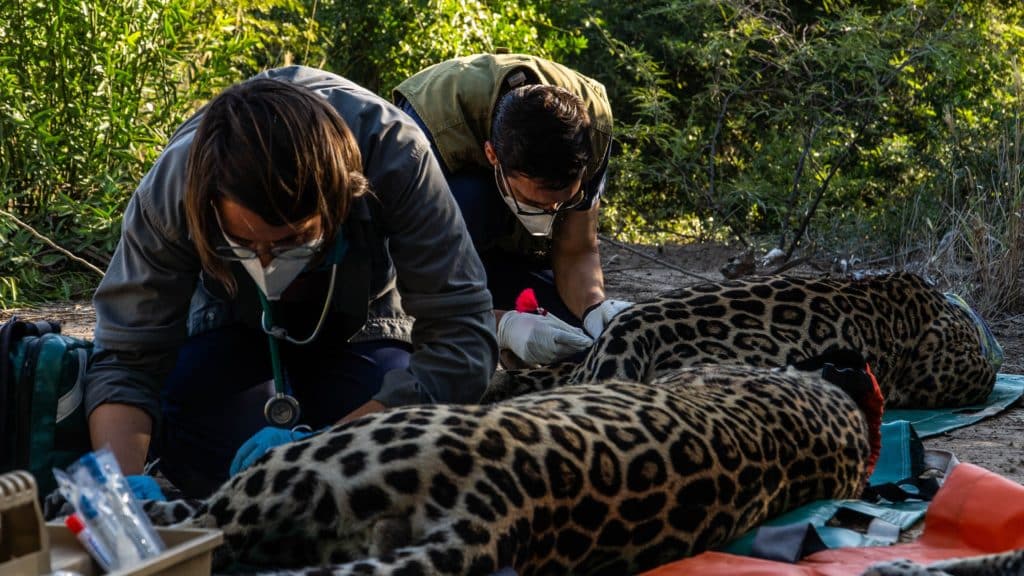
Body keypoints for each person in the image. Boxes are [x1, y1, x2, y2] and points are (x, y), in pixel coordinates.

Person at [84, 66, 497, 498]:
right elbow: (125, 359)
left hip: (361, 324)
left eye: (292, 242)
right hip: (226, 321)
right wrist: (122, 489)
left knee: (376, 471)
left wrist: (324, 450)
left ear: (343, 198)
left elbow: (462, 337)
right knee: (224, 466)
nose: (266, 262)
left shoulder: (396, 155)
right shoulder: (174, 188)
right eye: (242, 243)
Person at [394, 53, 633, 367]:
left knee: (576, 348)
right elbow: (400, 282)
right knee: (472, 198)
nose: (552, 213)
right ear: (492, 155)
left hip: (514, 256)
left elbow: (577, 250)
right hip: (437, 255)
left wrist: (594, 310)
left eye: (564, 202)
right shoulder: (420, 137)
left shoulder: (592, 130)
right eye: (536, 203)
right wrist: (501, 326)